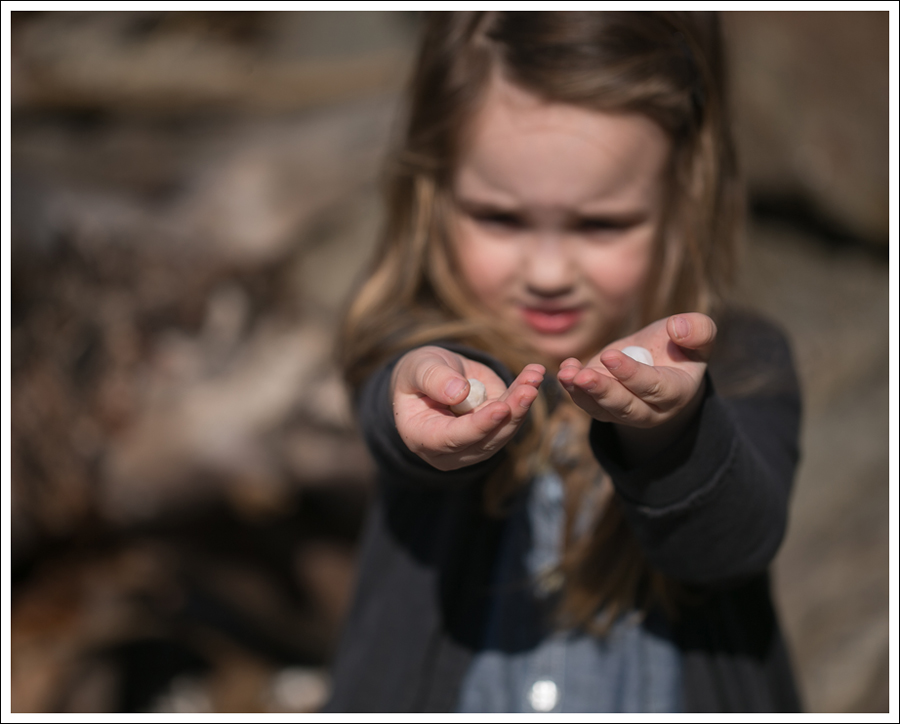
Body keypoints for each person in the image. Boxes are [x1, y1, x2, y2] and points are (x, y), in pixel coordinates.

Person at [324, 11, 803, 713]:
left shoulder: (740, 359)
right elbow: (389, 398)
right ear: (434, 191)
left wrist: (673, 434)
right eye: (500, 217)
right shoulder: (411, 336)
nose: (548, 273)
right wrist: (437, 394)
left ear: (685, 198)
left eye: (601, 224)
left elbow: (735, 547)